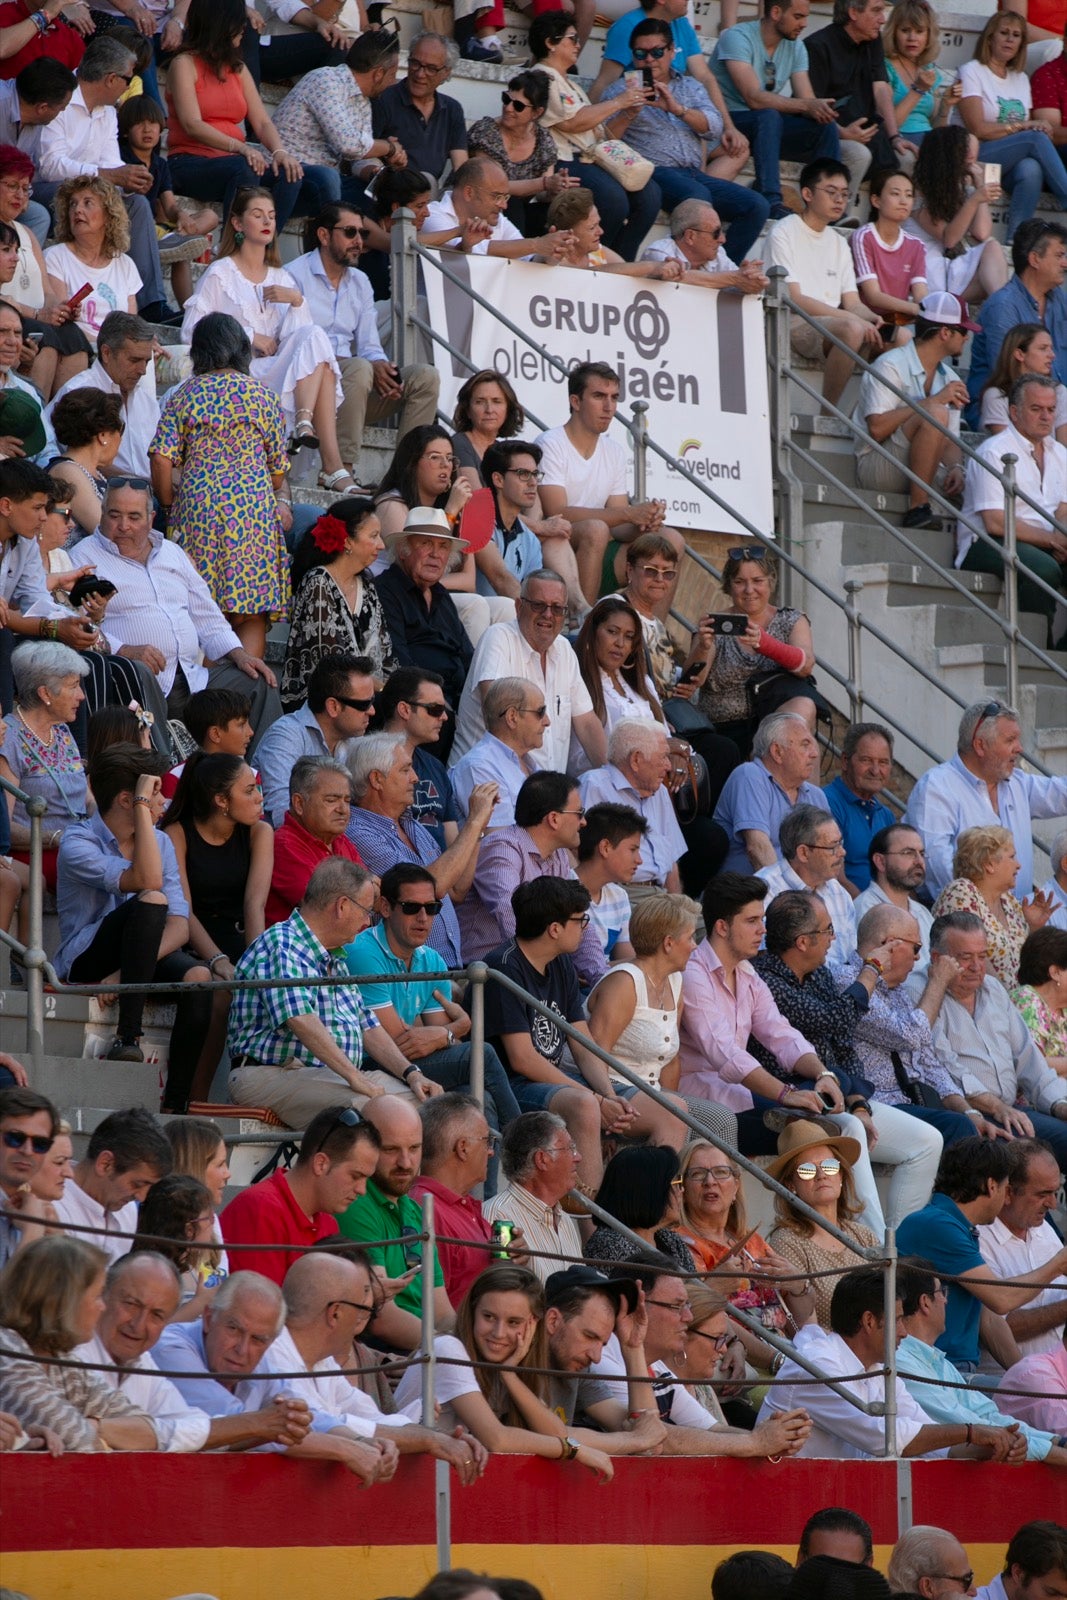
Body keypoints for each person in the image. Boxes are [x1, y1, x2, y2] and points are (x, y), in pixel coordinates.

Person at [752, 891, 946, 1223]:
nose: (833, 938)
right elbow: (832, 1019)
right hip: (789, 1097)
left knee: (928, 1140)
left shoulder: (820, 974)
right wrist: (870, 969)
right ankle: (872, 1246)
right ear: (802, 942)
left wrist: (859, 1103)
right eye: (827, 930)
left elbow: (844, 1044)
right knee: (852, 1131)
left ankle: (897, 1242)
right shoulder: (765, 978)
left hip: (839, 1096)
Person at [483, 879, 688, 1185]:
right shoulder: (503, 967)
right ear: (555, 929)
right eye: (580, 921)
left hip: (560, 1081)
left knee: (673, 1109)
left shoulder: (562, 963)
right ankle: (593, 1225)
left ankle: (648, 1211)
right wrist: (595, 1098)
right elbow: (522, 1059)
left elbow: (583, 1043)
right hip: (515, 1086)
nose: (585, 928)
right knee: (585, 1105)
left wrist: (608, 1095)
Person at [54, 744, 213, 1103]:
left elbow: (180, 925)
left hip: (134, 962)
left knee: (199, 978)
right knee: (151, 898)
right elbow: (148, 882)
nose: (165, 804)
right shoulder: (78, 841)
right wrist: (144, 812)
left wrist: (125, 974)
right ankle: (129, 1037)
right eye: (156, 794)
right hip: (87, 957)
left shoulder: (158, 841)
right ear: (130, 801)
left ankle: (175, 1104)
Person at [227, 859, 440, 1125]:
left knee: (434, 1108)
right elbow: (300, 1019)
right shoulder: (283, 942)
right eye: (365, 911)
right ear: (342, 906)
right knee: (388, 1114)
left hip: (328, 1075)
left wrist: (412, 1073)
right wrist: (355, 1077)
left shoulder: (334, 958)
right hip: (271, 1074)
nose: (366, 922)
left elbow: (368, 1026)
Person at [75, 477, 281, 737]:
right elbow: (78, 622)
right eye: (114, 515)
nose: (123, 526)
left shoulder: (172, 553)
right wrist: (124, 650)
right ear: (102, 513)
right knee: (139, 672)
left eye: (134, 517)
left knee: (258, 680)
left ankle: (266, 774)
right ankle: (160, 768)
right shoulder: (84, 557)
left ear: (151, 518)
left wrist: (239, 654)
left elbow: (207, 616)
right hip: (136, 678)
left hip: (193, 678)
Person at [260, 1250, 489, 1481]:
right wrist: (428, 1439)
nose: (365, 1315)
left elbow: (370, 1418)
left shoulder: (322, 1360)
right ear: (335, 1313)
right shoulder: (272, 1356)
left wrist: (440, 1436)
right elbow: (318, 1424)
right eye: (360, 1306)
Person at [181, 188, 351, 496]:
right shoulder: (221, 273)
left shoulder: (282, 279)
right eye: (257, 215)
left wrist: (297, 301)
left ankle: (303, 423)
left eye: (271, 216)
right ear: (237, 223)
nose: (267, 222)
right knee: (322, 361)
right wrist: (248, 336)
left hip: (276, 374)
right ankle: (332, 467)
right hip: (236, 376)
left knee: (315, 339)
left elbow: (299, 344)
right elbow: (192, 330)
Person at [758, 1264, 1023, 1459]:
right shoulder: (817, 1364)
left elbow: (927, 1435)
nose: (905, 1333)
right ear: (869, 1321)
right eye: (897, 1321)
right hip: (789, 1504)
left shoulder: (877, 1367)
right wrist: (970, 1432)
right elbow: (885, 1437)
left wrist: (994, 1445)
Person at [153, 1270, 391, 1482]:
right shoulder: (171, 1348)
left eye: (258, 1339)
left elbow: (305, 1416)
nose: (243, 1349)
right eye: (234, 1329)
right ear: (208, 1318)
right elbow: (239, 1424)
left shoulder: (260, 1358)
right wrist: (346, 1449)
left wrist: (361, 1442)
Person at [151, 311, 289, 661]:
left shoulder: (187, 394)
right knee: (253, 611)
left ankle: (206, 705)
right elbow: (277, 475)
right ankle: (242, 700)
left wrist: (168, 504)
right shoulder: (264, 397)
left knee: (204, 608)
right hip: (253, 514)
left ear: (199, 352)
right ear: (242, 350)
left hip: (199, 512)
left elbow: (161, 460)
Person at [343, 863, 520, 1134]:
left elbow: (438, 1043)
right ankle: (525, 1145)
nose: (424, 918)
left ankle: (487, 1174)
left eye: (432, 907)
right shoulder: (363, 952)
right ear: (386, 908)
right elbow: (399, 1042)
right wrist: (457, 1028)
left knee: (476, 1101)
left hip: (406, 1063)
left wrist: (445, 1035)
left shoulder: (431, 958)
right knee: (481, 1053)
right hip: (369, 1060)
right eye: (412, 908)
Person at [391, 1263, 612, 1477]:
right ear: (472, 1312)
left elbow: (555, 1432)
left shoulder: (506, 1363)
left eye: (513, 1322)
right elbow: (497, 1439)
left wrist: (509, 1374)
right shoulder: (448, 1348)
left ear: (532, 1324)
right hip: (401, 1484)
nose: (498, 1333)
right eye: (488, 1317)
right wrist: (574, 1450)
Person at [71, 1252, 304, 1452]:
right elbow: (178, 1433)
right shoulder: (71, 1353)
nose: (139, 1324)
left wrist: (268, 1426)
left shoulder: (142, 1362)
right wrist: (256, 1425)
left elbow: (189, 1427)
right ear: (103, 1296)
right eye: (131, 1304)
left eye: (157, 1315)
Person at [588, 1258, 814, 1458]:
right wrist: (755, 1443)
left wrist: (770, 1440)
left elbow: (712, 1430)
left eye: (686, 1305)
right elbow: (653, 1438)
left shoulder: (653, 1363)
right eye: (676, 1306)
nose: (687, 1317)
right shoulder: (601, 1357)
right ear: (635, 1306)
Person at [287, 204, 439, 484]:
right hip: (308, 391)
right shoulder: (294, 275)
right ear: (323, 235)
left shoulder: (360, 281)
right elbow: (294, 347)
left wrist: (383, 368)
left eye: (363, 233)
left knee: (424, 377)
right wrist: (366, 365)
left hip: (350, 392)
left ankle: (404, 479)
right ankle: (340, 470)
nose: (359, 241)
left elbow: (370, 346)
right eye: (350, 232)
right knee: (358, 367)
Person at [600, 16, 771, 264]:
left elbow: (714, 127)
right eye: (641, 53)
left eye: (657, 52)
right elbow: (605, 141)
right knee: (697, 193)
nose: (649, 59)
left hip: (692, 172)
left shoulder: (690, 86)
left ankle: (720, 269)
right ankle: (692, 267)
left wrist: (677, 109)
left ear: (671, 52)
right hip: (653, 171)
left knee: (757, 206)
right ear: (633, 55)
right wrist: (629, 111)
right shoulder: (618, 91)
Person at [28, 35, 171, 322]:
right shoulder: (62, 95)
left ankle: (152, 304)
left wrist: (128, 178)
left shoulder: (108, 112)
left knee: (138, 205)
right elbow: (50, 165)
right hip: (47, 189)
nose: (129, 86)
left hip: (92, 191)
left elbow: (111, 163)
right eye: (127, 79)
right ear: (109, 79)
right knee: (83, 195)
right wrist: (107, 175)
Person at [896, 1137, 1067, 1370]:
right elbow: (1001, 1300)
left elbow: (988, 1316)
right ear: (991, 1186)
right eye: (1006, 1188)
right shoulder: (937, 1224)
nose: (1006, 1197)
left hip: (954, 1367)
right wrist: (1058, 1264)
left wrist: (1025, 1379)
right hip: (937, 1368)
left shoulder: (958, 1226)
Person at [162, 751, 272, 1098]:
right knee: (220, 992)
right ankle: (196, 1099)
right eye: (250, 790)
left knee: (262, 987)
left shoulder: (259, 832)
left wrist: (256, 965)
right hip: (191, 941)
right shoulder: (177, 832)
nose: (260, 797)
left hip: (241, 938)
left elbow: (255, 904)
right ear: (221, 800)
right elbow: (184, 909)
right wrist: (216, 959)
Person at [585, 891, 737, 1143]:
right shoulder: (624, 982)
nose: (695, 945)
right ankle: (668, 1181)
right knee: (678, 1114)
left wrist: (672, 1099)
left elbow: (670, 1059)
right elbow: (595, 1053)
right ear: (668, 943)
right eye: (690, 938)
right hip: (612, 1089)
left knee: (721, 1119)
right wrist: (607, 1105)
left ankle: (715, 1181)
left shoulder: (675, 980)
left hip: (652, 1091)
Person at [535, 361, 684, 614]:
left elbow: (620, 525)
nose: (609, 407)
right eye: (599, 396)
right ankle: (582, 627)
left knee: (672, 539)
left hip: (600, 548)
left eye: (614, 398)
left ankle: (653, 632)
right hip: (558, 550)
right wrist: (628, 513)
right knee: (596, 529)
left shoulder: (613, 450)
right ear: (576, 401)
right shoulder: (550, 442)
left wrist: (643, 523)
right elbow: (556, 511)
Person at [344, 731, 496, 970]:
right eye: (405, 770)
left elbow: (457, 889)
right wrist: (474, 820)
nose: (415, 778)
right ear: (376, 779)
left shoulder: (412, 825)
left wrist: (478, 828)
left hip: (448, 964)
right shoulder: (357, 832)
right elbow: (429, 888)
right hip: (409, 974)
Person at [927, 912, 1067, 1166]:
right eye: (965, 957)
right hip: (968, 1115)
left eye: (982, 956)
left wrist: (1060, 1104)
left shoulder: (993, 989)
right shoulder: (925, 992)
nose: (977, 966)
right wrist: (995, 1107)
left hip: (1012, 1111)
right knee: (1025, 1163)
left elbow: (1030, 1061)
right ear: (937, 959)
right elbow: (942, 1066)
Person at [165, 0, 318, 231]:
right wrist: (240, 147)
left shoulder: (238, 68)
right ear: (222, 26)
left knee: (290, 173)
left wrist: (279, 152)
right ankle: (232, 248)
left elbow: (263, 122)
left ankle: (260, 249)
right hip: (189, 162)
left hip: (232, 162)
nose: (244, 28)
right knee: (243, 167)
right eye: (239, 22)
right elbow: (192, 124)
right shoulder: (183, 64)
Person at [841, 901, 987, 1143]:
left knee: (979, 1132)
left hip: (914, 1104)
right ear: (888, 944)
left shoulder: (897, 991)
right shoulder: (848, 981)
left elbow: (929, 1063)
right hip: (875, 1107)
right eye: (916, 947)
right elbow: (909, 1035)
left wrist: (970, 1111)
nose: (919, 957)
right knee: (957, 1129)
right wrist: (938, 981)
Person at [0, 1235, 160, 1451]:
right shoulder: (7, 1349)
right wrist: (106, 1440)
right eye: (97, 1296)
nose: (102, 1307)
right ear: (63, 1301)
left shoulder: (65, 1364)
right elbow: (79, 1443)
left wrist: (92, 1426)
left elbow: (149, 1432)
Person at [896, 1260, 1066, 1462]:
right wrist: (1050, 1449)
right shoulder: (901, 1360)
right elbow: (966, 1424)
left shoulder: (938, 1361)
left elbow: (987, 1414)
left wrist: (1057, 1442)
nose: (946, 1301)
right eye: (942, 1293)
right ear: (925, 1302)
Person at [673, 1138, 815, 1375]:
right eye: (697, 1174)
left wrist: (799, 1284)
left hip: (785, 1356)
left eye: (721, 1172)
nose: (710, 1182)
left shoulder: (753, 1241)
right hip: (739, 1360)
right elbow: (693, 1311)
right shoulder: (680, 1242)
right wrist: (778, 1361)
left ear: (736, 1184)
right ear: (683, 1187)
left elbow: (803, 1317)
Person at [527, 13, 661, 263]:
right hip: (563, 160)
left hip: (592, 158)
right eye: (572, 38)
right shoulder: (540, 77)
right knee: (613, 199)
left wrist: (627, 114)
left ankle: (620, 262)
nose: (579, 44)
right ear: (550, 42)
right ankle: (590, 262)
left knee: (650, 195)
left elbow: (603, 137)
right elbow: (572, 122)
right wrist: (619, 100)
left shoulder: (572, 85)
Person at [904, 699, 1067, 902]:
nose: (1020, 748)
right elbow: (936, 868)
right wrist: (987, 909)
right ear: (980, 746)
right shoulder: (937, 787)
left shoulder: (1016, 782)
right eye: (1010, 740)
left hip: (1016, 923)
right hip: (964, 923)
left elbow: (1061, 794)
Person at [456, 770, 608, 985]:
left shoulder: (558, 856)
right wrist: (541, 973)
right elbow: (507, 911)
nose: (584, 822)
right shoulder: (503, 848)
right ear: (554, 819)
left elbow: (578, 920)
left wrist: (600, 979)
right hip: (484, 974)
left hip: (534, 970)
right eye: (579, 813)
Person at [452, 568, 606, 775]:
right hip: (484, 782)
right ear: (518, 606)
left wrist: (612, 776)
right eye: (538, 605)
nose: (548, 614)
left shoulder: (564, 649)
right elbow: (501, 720)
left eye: (557, 608)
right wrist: (534, 787)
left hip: (540, 793)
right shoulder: (498, 637)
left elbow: (587, 723)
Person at [334, 1093, 456, 1350]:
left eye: (414, 1149)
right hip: (392, 1351)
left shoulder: (413, 1209)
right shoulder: (356, 1203)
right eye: (391, 1149)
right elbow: (382, 1319)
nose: (406, 1162)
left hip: (425, 1350)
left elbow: (441, 1312)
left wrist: (471, 1345)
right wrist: (450, 1354)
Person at [763, 156, 884, 409]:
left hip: (831, 323)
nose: (840, 200)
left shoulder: (839, 241)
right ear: (807, 193)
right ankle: (829, 414)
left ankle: (871, 414)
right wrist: (852, 319)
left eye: (844, 194)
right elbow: (795, 299)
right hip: (792, 321)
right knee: (851, 330)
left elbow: (852, 303)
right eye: (831, 192)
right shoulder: (784, 232)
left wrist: (871, 317)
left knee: (900, 338)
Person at [220, 1102, 380, 1283]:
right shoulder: (260, 1209)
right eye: (355, 1176)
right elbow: (260, 1309)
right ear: (321, 1164)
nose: (362, 1190)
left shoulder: (328, 1224)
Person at [960, 375, 1067, 642]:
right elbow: (996, 522)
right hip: (987, 541)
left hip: (1043, 541)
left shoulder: (1060, 453)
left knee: (1045, 561)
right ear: (1014, 412)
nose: (1045, 416)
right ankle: (1037, 649)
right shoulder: (994, 452)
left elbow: (1063, 509)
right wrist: (1052, 540)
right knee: (1042, 568)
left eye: (1051, 410)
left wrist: (1062, 538)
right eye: (1036, 409)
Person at [709, 0, 840, 216]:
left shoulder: (796, 46)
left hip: (765, 126)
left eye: (806, 17)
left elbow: (808, 100)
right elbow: (753, 98)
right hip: (727, 121)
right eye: (798, 17)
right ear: (776, 12)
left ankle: (825, 204)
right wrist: (807, 105)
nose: (805, 24)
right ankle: (770, 199)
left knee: (824, 129)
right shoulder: (736, 37)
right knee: (768, 115)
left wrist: (824, 114)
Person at [851, 291, 970, 529]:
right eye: (964, 331)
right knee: (936, 412)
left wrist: (956, 467)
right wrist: (931, 401)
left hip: (917, 464)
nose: (967, 338)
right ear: (945, 333)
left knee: (978, 487)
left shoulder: (951, 377)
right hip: (876, 466)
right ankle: (918, 509)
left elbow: (951, 441)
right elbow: (876, 428)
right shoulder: (890, 364)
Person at [957, 12, 1067, 245]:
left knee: (1031, 168)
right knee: (1035, 139)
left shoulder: (1020, 78)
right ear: (989, 38)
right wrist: (1024, 126)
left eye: (1016, 35)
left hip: (1005, 163)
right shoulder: (972, 71)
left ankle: (1016, 244)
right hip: (976, 157)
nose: (1010, 40)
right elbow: (978, 129)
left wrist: (1027, 129)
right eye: (1004, 33)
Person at [270, 29, 407, 213]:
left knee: (377, 194)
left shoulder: (363, 102)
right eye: (392, 75)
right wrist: (389, 148)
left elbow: (356, 157)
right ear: (378, 74)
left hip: (322, 179)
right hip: (286, 173)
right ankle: (328, 238)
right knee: (328, 178)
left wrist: (375, 172)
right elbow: (348, 145)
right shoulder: (326, 80)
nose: (393, 83)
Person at [281, 501, 396, 713]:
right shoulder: (318, 582)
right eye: (373, 536)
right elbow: (333, 664)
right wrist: (386, 690)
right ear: (347, 542)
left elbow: (386, 655)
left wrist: (396, 689)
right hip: (327, 704)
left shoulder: (367, 587)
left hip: (368, 697)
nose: (381, 545)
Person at [765, 1122, 880, 1327]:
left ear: (841, 1175)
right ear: (791, 1185)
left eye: (829, 1166)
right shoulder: (786, 1242)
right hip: (827, 1356)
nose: (821, 1175)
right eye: (807, 1170)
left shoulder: (864, 1235)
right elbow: (798, 1328)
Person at [0, 146, 91, 402]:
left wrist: (61, 307)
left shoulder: (26, 233)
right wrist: (39, 314)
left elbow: (46, 293)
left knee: (73, 334)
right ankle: (36, 414)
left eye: (25, 188)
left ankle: (64, 422)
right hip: (11, 319)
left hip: (36, 316)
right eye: (12, 186)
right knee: (42, 334)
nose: (20, 195)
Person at [581, 719, 706, 900]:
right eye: (663, 757)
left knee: (712, 926)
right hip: (622, 894)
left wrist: (679, 906)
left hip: (661, 896)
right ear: (636, 759)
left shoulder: (659, 790)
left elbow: (671, 861)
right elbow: (579, 855)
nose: (669, 766)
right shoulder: (594, 785)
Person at [0, 639, 88, 894]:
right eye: (73, 686)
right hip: (40, 852)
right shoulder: (10, 739)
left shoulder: (61, 730)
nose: (81, 695)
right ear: (45, 693)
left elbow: (87, 799)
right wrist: (57, 838)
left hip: (75, 844)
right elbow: (5, 828)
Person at [374, 509, 475, 728]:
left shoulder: (442, 596)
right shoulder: (386, 590)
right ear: (403, 550)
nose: (435, 554)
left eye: (443, 546)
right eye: (426, 544)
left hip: (456, 705)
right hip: (419, 708)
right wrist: (441, 705)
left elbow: (468, 657)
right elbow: (399, 661)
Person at [412, 1092, 515, 1305]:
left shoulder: (464, 1207)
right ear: (463, 1147)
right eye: (488, 1141)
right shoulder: (425, 1210)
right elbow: (431, 1309)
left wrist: (517, 1262)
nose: (491, 1152)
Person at [117, 96, 219, 310]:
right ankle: (183, 304)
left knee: (209, 217)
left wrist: (180, 216)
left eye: (153, 123)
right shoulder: (119, 157)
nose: (147, 129)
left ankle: (188, 310)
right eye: (139, 123)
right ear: (125, 131)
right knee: (182, 253)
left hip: (155, 231)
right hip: (128, 229)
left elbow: (170, 206)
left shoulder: (160, 165)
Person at [803, 0, 915, 189]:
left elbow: (880, 88)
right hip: (826, 132)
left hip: (865, 128)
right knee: (859, 154)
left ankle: (884, 218)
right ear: (853, 12)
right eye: (877, 11)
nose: (882, 20)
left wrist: (894, 136)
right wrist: (842, 133)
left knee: (907, 158)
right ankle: (840, 216)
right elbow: (812, 106)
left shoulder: (873, 40)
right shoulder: (817, 45)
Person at [256, 651, 374, 827]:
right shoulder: (285, 736)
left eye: (373, 701)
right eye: (363, 705)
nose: (372, 711)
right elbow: (282, 814)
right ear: (333, 706)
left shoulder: (353, 739)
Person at [978, 1137, 1066, 1362]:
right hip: (1015, 1386)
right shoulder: (978, 1238)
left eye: (1055, 1192)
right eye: (1042, 1194)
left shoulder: (1042, 1227)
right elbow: (1001, 1326)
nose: (1053, 1204)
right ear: (1007, 1193)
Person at [47, 307, 159, 482]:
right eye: (134, 360)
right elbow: (73, 458)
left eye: (147, 361)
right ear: (106, 353)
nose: (143, 370)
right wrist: (140, 483)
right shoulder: (77, 391)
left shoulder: (147, 401)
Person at [966, 219, 1067, 413]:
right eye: (1059, 255)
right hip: (1008, 408)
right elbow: (1009, 374)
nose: (1065, 263)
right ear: (1035, 259)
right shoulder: (1003, 306)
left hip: (1054, 407)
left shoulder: (1059, 298)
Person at [476, 438, 585, 616]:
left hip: (512, 621)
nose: (533, 482)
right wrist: (537, 615)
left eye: (535, 474)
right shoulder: (479, 519)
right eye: (523, 474)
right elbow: (500, 579)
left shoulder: (529, 538)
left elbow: (535, 590)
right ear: (498, 479)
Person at [933, 824, 1047, 989]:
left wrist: (1034, 928)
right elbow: (972, 957)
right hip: (984, 1001)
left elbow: (1027, 962)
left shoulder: (1009, 901)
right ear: (989, 864)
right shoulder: (962, 892)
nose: (1018, 865)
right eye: (1012, 857)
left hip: (1016, 1003)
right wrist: (1006, 1003)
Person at [54, 1105, 173, 1262]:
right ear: (105, 1164)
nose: (142, 1197)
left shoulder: (127, 1209)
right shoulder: (54, 1206)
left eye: (150, 1186)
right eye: (137, 1184)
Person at [713, 711, 828, 873]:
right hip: (749, 892)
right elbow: (758, 849)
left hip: (800, 892)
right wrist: (789, 895)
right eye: (805, 744)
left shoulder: (816, 796)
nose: (815, 754)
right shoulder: (749, 776)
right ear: (777, 752)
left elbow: (828, 856)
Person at [479, 1112, 583, 1285]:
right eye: (570, 1148)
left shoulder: (564, 1218)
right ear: (542, 1159)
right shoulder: (498, 1215)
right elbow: (503, 1294)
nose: (578, 1157)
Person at [907, 127, 1008, 304]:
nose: (969, 154)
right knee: (990, 258)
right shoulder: (917, 192)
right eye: (962, 148)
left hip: (949, 270)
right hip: (925, 273)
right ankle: (1004, 311)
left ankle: (1003, 309)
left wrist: (978, 188)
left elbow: (982, 233)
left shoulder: (961, 191)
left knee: (992, 247)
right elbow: (949, 239)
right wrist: (974, 200)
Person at [43, 174, 145, 350]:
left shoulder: (125, 264)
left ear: (108, 214)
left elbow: (131, 323)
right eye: (73, 204)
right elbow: (61, 322)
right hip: (78, 347)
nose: (77, 210)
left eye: (87, 203)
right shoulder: (55, 257)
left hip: (118, 351)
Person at [467, 72, 569, 235]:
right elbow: (493, 186)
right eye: (506, 99)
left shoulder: (543, 140)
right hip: (477, 202)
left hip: (515, 211)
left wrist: (555, 189)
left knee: (555, 213)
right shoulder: (486, 132)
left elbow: (541, 196)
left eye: (518, 106)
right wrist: (545, 183)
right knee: (510, 201)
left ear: (537, 112)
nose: (508, 108)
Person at [757, 803, 858, 968]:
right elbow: (766, 962)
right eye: (833, 847)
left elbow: (850, 958)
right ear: (803, 853)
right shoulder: (765, 890)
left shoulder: (838, 892)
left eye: (841, 843)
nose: (842, 852)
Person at [450, 676, 550, 831]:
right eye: (540, 712)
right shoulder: (479, 766)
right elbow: (499, 845)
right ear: (512, 717)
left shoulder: (530, 764)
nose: (547, 721)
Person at [377, 666, 461, 850]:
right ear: (405, 710)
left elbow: (453, 845)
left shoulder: (435, 767)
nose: (445, 717)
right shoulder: (367, 764)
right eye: (435, 709)